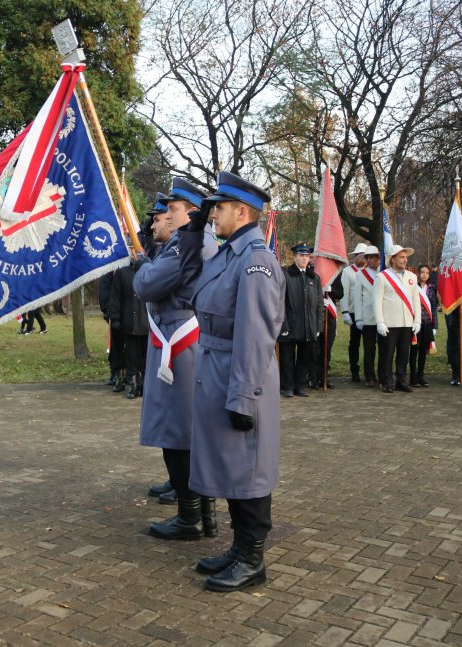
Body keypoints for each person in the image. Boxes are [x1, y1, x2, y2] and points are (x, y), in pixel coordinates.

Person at [177, 171, 284, 593]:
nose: (212, 213)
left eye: (218, 207)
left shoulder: (256, 260)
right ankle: (240, 548)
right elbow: (190, 287)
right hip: (217, 369)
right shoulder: (228, 253)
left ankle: (253, 559)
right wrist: (193, 230)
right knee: (230, 466)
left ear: (242, 212)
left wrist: (243, 396)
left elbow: (256, 337)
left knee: (249, 469)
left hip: (242, 375)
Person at [133, 178, 218, 540]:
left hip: (179, 345)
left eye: (172, 210)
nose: (164, 216)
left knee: (179, 434)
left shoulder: (190, 247)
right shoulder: (189, 244)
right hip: (176, 340)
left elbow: (146, 286)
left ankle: (190, 517)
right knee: (183, 432)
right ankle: (202, 514)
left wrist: (142, 266)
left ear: (192, 213)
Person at [278, 243, 323, 397]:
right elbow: (279, 303)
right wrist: (282, 325)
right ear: (295, 257)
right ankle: (288, 386)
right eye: (301, 255)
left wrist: (318, 326)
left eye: (306, 256)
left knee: (304, 358)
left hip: (308, 325)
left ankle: (300, 386)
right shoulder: (285, 275)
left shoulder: (314, 278)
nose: (304, 258)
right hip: (290, 324)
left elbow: (319, 304)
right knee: (287, 359)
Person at [373, 244, 420, 393]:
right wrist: (380, 321)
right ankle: (387, 381)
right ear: (392, 259)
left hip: (407, 322)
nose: (405, 260)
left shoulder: (412, 277)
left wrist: (417, 320)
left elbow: (416, 301)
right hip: (389, 322)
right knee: (387, 354)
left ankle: (401, 380)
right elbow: (376, 301)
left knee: (404, 354)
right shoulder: (382, 277)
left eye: (406, 257)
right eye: (401, 257)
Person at [107, 262, 148, 398]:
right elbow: (115, 297)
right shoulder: (122, 273)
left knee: (145, 356)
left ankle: (144, 383)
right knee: (131, 356)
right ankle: (133, 383)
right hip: (128, 322)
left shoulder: (150, 269)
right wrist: (115, 318)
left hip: (146, 322)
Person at [352, 245, 381, 387]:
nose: (369, 260)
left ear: (378, 258)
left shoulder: (384, 273)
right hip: (368, 317)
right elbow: (357, 298)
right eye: (367, 258)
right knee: (369, 349)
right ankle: (370, 376)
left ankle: (383, 374)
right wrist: (358, 318)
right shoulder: (360, 275)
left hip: (384, 317)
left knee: (385, 348)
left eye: (372, 257)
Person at [309, 272, 343, 390]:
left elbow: (340, 293)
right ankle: (313, 378)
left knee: (326, 349)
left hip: (329, 316)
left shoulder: (334, 273)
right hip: (313, 315)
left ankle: (323, 377)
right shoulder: (309, 273)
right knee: (314, 350)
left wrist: (330, 289)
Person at [340, 243, 368, 382]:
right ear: (355, 257)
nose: (361, 257)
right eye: (359, 255)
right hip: (352, 311)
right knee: (355, 342)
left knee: (369, 342)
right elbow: (344, 293)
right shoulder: (348, 272)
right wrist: (344, 311)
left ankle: (369, 371)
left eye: (364, 255)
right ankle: (354, 370)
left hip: (367, 312)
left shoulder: (370, 272)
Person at [409, 264, 438, 387]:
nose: (424, 274)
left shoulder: (432, 289)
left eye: (427, 272)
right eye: (422, 272)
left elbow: (434, 308)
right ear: (418, 273)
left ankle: (421, 376)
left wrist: (434, 325)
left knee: (423, 352)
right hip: (416, 323)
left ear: (429, 275)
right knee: (414, 351)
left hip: (427, 323)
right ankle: (413, 377)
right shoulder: (413, 287)